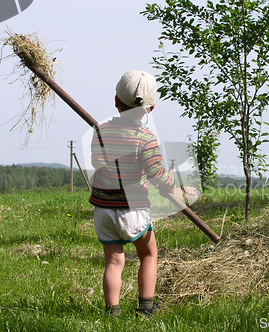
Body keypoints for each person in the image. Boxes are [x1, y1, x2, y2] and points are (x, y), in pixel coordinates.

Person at [89, 70, 175, 317]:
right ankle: (146, 308)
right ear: (152, 108)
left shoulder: (100, 131)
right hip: (132, 209)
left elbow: (97, 161)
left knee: (114, 261)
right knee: (149, 253)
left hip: (104, 209)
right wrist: (172, 187)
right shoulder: (145, 138)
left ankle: (112, 311)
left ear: (116, 100)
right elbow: (156, 174)